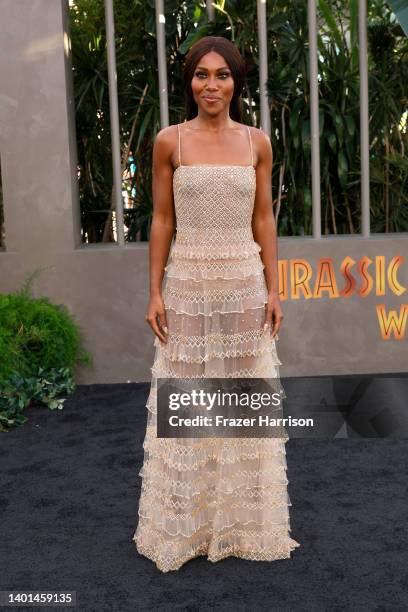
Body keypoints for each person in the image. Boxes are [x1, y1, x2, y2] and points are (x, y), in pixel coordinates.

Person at [133, 36, 300, 572]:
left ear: (236, 83)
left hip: (243, 282)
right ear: (190, 83)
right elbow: (161, 220)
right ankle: (188, 528)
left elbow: (264, 219)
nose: (212, 84)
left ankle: (244, 524)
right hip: (186, 284)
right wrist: (155, 290)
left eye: (222, 75)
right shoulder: (169, 142)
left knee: (243, 401)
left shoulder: (256, 143)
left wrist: (275, 288)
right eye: (202, 75)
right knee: (187, 405)